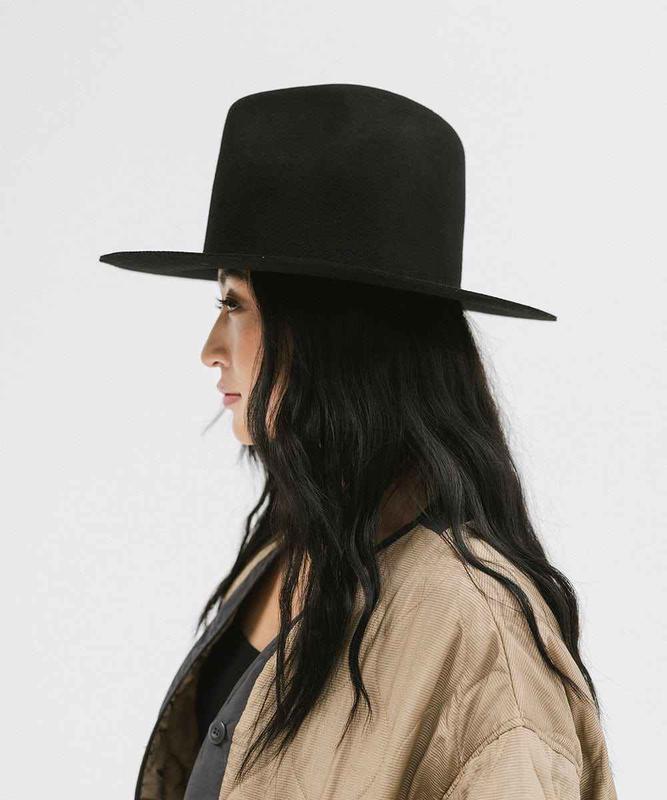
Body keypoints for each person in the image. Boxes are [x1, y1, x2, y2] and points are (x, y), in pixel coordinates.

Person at [99, 83, 618, 799]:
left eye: (233, 304)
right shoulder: (294, 548)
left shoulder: (477, 636)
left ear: (334, 338)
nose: (210, 349)